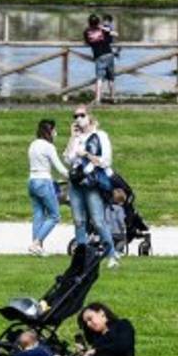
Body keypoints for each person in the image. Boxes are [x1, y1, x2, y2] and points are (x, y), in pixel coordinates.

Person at [65, 107, 118, 267]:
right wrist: (72, 138)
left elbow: (106, 160)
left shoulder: (100, 136)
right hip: (76, 183)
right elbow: (68, 159)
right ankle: (81, 260)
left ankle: (112, 256)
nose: (78, 118)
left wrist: (86, 155)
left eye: (82, 115)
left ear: (90, 117)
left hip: (91, 182)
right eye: (76, 116)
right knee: (79, 221)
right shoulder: (77, 138)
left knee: (98, 221)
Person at [63, 302, 150, 356]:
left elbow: (123, 345)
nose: (89, 324)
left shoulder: (122, 325)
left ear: (101, 313)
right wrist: (83, 353)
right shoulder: (97, 337)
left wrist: (96, 351)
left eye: (90, 319)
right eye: (86, 323)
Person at [27, 119, 68, 256]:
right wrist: (71, 177)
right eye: (54, 130)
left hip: (32, 181)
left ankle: (36, 247)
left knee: (38, 214)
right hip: (44, 182)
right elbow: (60, 168)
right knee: (54, 215)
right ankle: (37, 243)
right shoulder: (48, 147)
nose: (55, 133)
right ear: (49, 131)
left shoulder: (33, 144)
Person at [83, 14, 118, 104]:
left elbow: (87, 42)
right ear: (98, 22)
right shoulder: (104, 30)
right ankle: (113, 98)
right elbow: (113, 37)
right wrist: (104, 28)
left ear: (89, 23)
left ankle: (98, 99)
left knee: (99, 78)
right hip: (109, 54)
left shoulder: (87, 32)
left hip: (99, 56)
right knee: (111, 78)